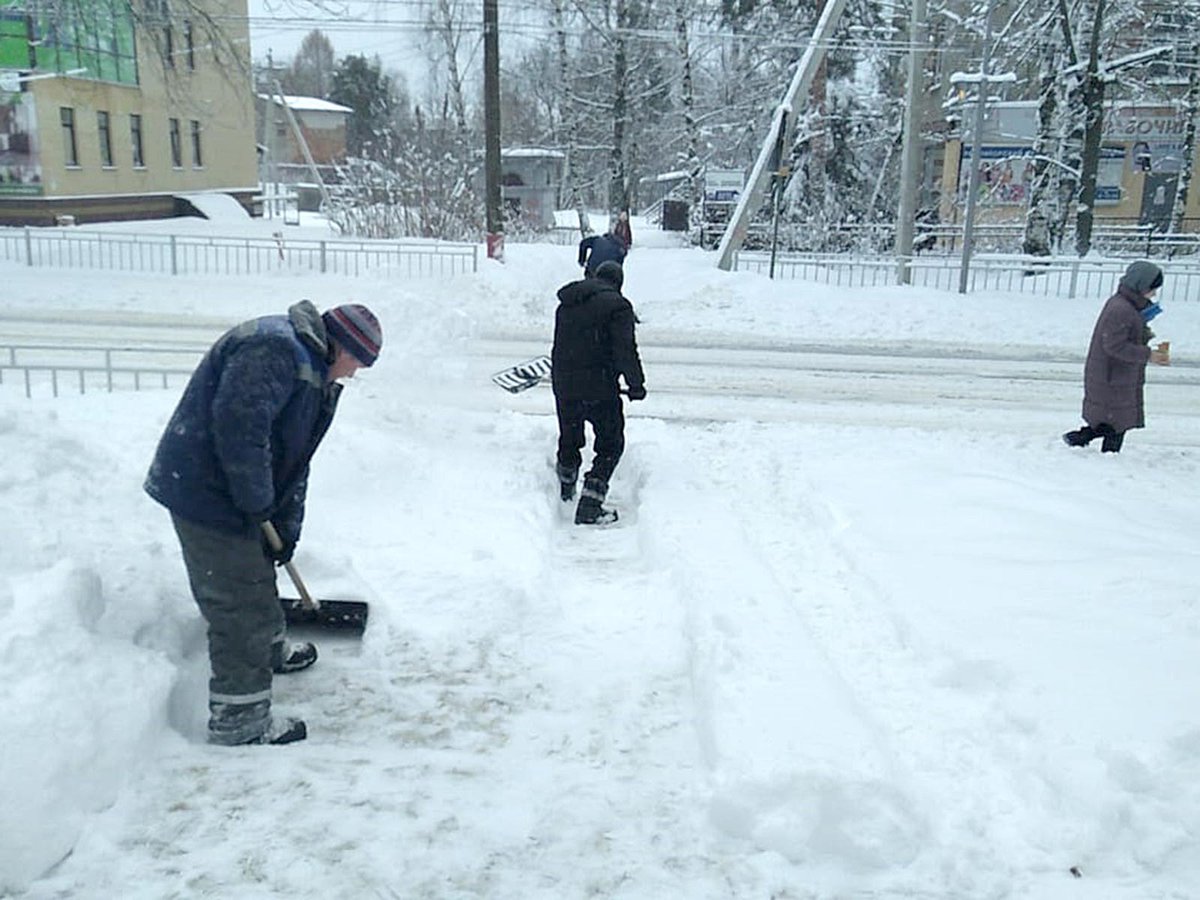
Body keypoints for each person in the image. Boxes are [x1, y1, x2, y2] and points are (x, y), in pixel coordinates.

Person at [145, 301, 382, 745]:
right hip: (206, 492)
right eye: (356, 362)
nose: (352, 373)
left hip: (236, 490)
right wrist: (257, 504)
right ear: (339, 345)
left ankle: (268, 651)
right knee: (237, 603)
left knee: (257, 570)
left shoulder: (312, 368)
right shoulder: (274, 350)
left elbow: (295, 460)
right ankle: (241, 720)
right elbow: (239, 431)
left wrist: (283, 529)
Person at [551, 260, 646, 525]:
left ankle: (565, 490)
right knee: (610, 443)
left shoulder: (567, 303)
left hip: (564, 382)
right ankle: (590, 505)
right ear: (619, 283)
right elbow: (625, 349)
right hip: (599, 385)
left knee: (570, 437)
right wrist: (636, 384)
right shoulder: (618, 306)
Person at [1063, 260, 1169, 453]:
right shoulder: (1121, 309)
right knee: (1115, 421)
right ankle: (1105, 457)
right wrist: (1148, 354)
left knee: (1112, 419)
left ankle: (1082, 439)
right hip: (1112, 376)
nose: (1154, 294)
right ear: (1140, 285)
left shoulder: (1126, 305)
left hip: (1113, 375)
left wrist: (1142, 334)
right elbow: (1114, 346)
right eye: (1152, 289)